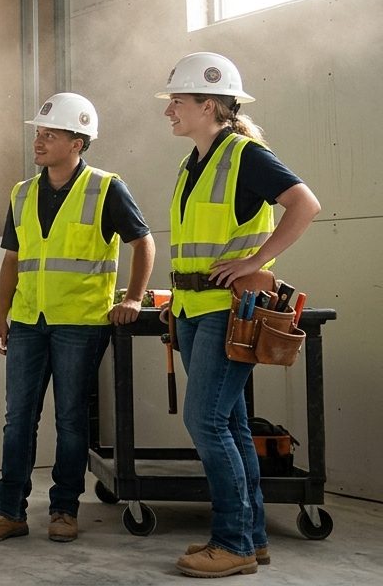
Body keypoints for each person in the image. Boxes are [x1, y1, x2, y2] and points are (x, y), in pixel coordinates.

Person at [158, 52, 320, 578]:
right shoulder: (193, 163)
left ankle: (232, 543)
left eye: (177, 102)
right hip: (193, 307)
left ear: (208, 105)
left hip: (228, 310)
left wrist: (255, 261)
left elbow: (305, 204)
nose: (169, 112)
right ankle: (251, 538)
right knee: (228, 421)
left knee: (205, 420)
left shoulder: (245, 155)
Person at [0, 93, 155, 545]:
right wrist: (0, 317)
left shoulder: (106, 188)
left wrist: (134, 298)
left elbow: (143, 243)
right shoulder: (22, 192)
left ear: (78, 142)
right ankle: (8, 512)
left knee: (71, 420)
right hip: (28, 321)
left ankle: (64, 509)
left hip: (81, 322)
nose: (39, 141)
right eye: (38, 133)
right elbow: (12, 260)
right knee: (18, 420)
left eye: (50, 135)